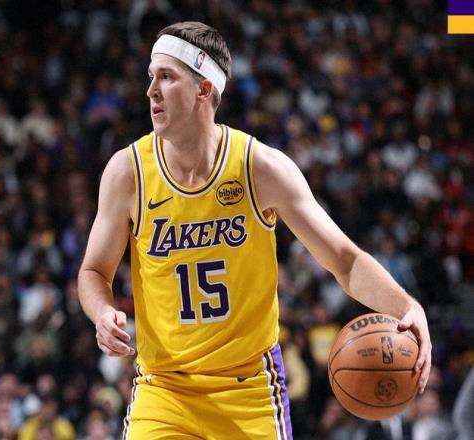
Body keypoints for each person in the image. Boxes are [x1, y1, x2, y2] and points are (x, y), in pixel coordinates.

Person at [78, 21, 432, 439]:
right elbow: (93, 272)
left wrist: (407, 307)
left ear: (204, 89)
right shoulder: (128, 172)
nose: (151, 90)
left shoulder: (259, 168)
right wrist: (102, 312)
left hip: (250, 389)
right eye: (151, 77)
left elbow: (344, 260)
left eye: (167, 77)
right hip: (165, 389)